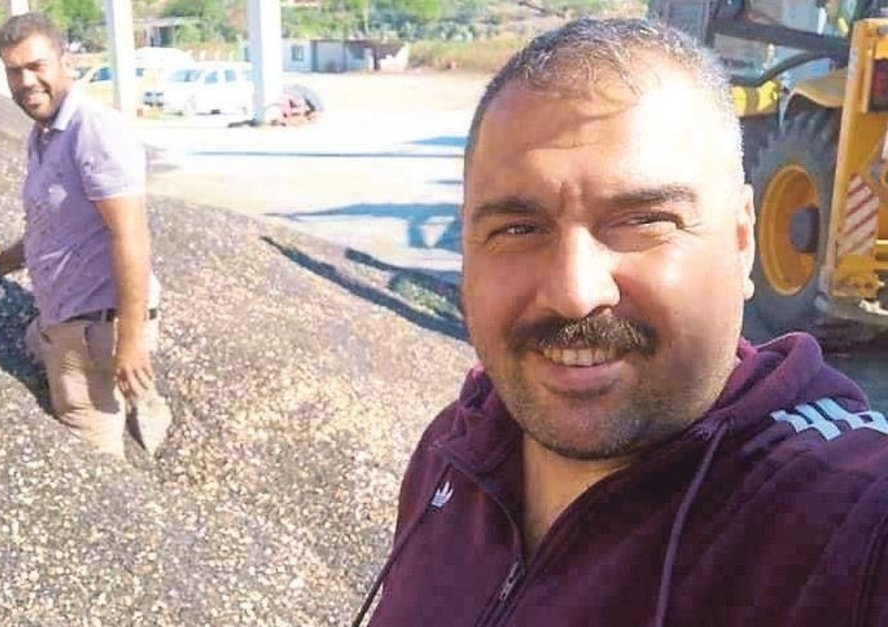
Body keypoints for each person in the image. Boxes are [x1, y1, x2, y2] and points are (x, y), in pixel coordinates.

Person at [355, 17, 888, 627]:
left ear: (742, 240)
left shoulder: (849, 524)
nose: (575, 294)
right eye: (518, 228)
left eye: (642, 222)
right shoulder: (454, 452)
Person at [0, 12, 171, 460]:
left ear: (65, 62)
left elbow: (130, 235)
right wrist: (2, 262)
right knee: (35, 338)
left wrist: (129, 343)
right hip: (65, 317)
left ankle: (132, 393)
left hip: (97, 329)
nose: (26, 81)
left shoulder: (92, 129)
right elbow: (56, 227)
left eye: (37, 66)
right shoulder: (44, 134)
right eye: (14, 71)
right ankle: (131, 391)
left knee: (92, 466)